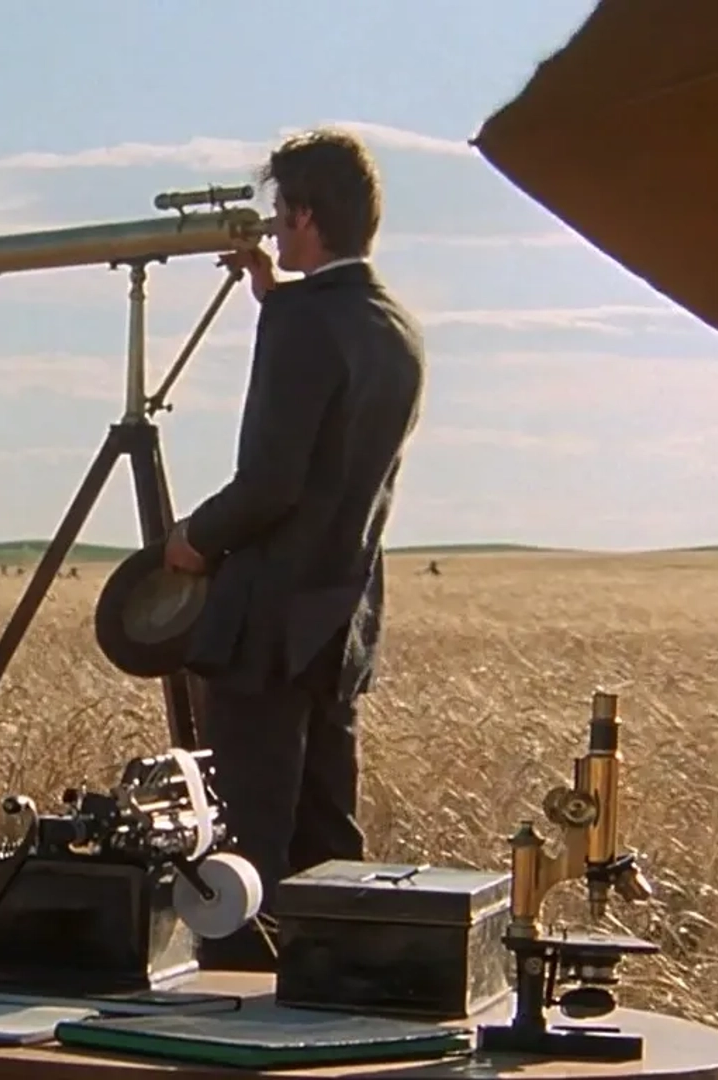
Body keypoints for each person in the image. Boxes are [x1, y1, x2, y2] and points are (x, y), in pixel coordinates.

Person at [163, 128, 426, 970]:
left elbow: (273, 482)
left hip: (268, 622)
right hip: (338, 617)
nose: (273, 229)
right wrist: (274, 294)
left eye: (281, 215)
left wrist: (194, 540)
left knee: (246, 840)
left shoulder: (304, 323)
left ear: (308, 215)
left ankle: (232, 1012)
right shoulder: (393, 326)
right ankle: (333, 995)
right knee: (325, 833)